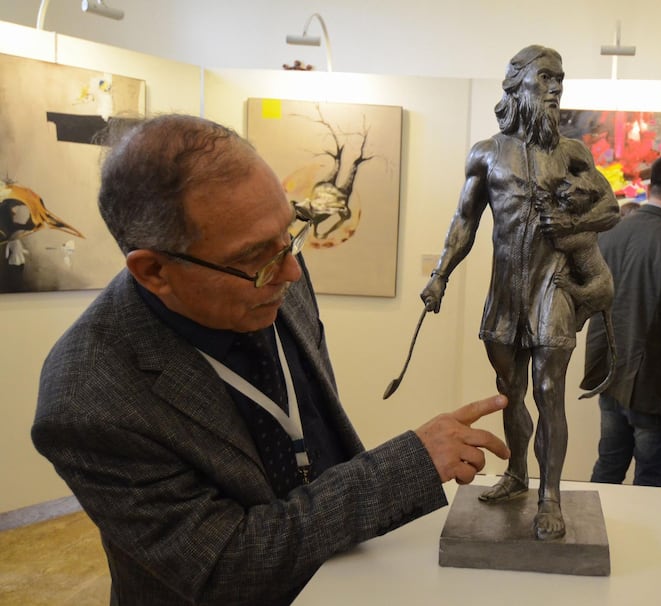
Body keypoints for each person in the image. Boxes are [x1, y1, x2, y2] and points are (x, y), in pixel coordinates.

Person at [30, 114, 511, 606]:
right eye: (256, 256)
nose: (291, 271)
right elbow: (225, 566)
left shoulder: (275, 272)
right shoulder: (88, 396)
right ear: (154, 270)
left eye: (290, 231)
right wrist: (405, 466)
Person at [421, 45, 618, 541]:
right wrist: (440, 274)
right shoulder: (487, 153)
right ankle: (516, 475)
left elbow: (612, 210)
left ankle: (550, 496)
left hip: (553, 287)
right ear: (518, 85)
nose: (556, 88)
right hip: (505, 292)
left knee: (551, 392)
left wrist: (573, 219)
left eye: (561, 80)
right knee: (512, 393)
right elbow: (463, 221)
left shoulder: (572, 153)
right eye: (547, 78)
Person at [582, 152, 661, 487]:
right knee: (652, 481)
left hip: (611, 376)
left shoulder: (611, 233)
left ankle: (596, 534)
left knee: (607, 467)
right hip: (656, 390)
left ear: (651, 187)